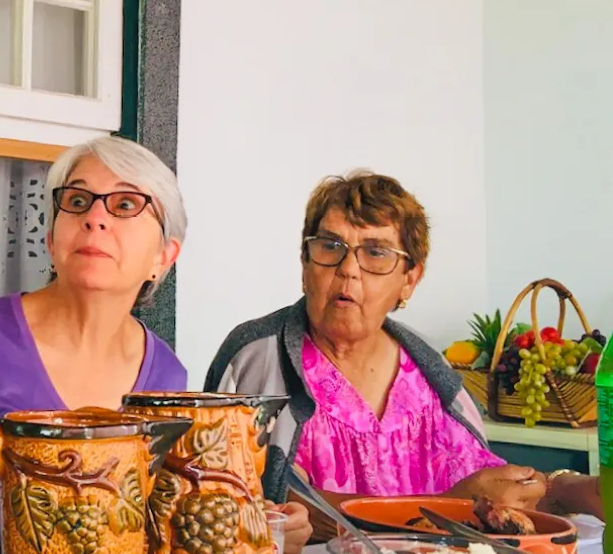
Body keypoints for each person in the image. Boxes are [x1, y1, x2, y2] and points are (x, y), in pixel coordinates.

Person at [0, 136, 313, 554]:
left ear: (164, 256)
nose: (95, 216)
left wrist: (260, 528)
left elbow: (162, 540)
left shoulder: (167, 378)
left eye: (127, 203)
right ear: (51, 238)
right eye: (77, 200)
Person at [203, 170, 600, 527]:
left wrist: (571, 490)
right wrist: (446, 508)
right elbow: (245, 496)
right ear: (305, 264)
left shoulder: (427, 368)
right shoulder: (258, 355)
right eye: (329, 246)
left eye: (376, 253)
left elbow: (487, 485)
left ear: (410, 279)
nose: (348, 268)